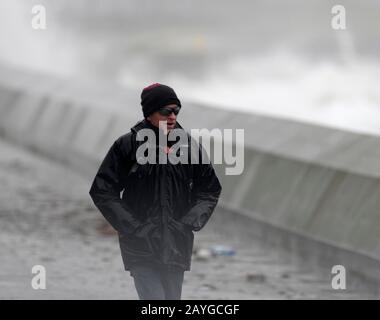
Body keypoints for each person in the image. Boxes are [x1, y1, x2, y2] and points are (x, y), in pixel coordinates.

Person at [89, 83, 222, 300]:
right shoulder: (127, 145)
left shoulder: (189, 146)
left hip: (177, 244)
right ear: (149, 113)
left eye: (176, 111)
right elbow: (102, 190)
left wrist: (188, 223)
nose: (172, 117)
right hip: (140, 245)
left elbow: (210, 190)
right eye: (165, 111)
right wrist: (133, 227)